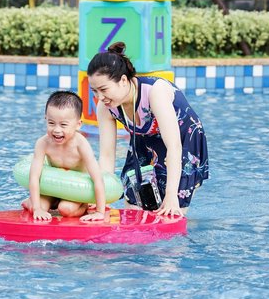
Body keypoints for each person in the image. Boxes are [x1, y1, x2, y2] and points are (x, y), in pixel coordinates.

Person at [87, 42, 209, 217]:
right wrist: (101, 199)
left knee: (171, 212)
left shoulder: (154, 92)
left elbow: (174, 146)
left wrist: (171, 196)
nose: (100, 97)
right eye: (94, 91)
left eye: (103, 89)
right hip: (144, 138)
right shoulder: (105, 107)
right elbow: (106, 156)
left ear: (123, 80)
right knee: (134, 206)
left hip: (182, 140)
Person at [21, 91, 106, 222]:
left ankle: (83, 205)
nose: (56, 130)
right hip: (53, 187)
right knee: (39, 207)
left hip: (74, 189)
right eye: (51, 123)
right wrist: (37, 208)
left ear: (78, 124)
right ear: (45, 119)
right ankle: (34, 202)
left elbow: (97, 178)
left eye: (63, 125)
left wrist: (100, 211)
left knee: (66, 209)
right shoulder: (43, 143)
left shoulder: (81, 144)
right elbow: (34, 176)